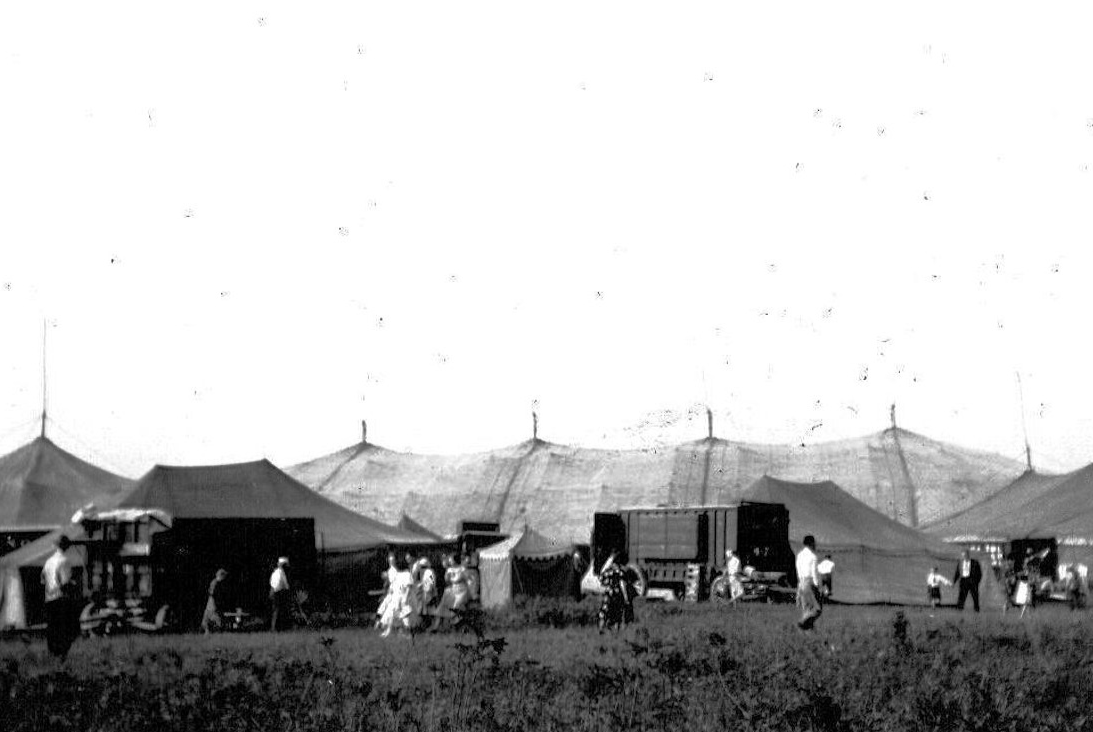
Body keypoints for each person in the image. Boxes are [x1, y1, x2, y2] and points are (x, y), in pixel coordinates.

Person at [41, 535, 80, 660]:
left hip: (49, 598)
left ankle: (52, 656)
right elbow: (65, 583)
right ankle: (62, 656)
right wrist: (74, 585)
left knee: (52, 630)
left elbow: (42, 580)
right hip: (61, 599)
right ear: (66, 546)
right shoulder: (64, 561)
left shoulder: (48, 562)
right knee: (64, 630)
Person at [377, 556, 420, 637]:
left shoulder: (407, 574)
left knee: (404, 615)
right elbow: (393, 587)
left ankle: (408, 632)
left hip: (404, 598)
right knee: (394, 615)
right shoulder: (398, 575)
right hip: (396, 598)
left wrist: (405, 597)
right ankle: (391, 631)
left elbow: (408, 587)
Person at [597, 551, 633, 633]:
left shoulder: (607, 571)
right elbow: (622, 585)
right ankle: (616, 632)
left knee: (604, 612)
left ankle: (601, 629)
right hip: (617, 595)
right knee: (617, 615)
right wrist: (626, 598)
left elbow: (601, 580)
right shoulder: (621, 572)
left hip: (607, 594)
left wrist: (608, 584)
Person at [432, 554, 471, 630]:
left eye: (451, 559)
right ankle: (439, 625)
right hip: (453, 589)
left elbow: (468, 580)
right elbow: (447, 581)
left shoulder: (462, 569)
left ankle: (457, 624)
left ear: (455, 560)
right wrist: (447, 574)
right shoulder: (449, 570)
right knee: (445, 605)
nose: (449, 561)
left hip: (461, 589)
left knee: (457, 606)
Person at [796, 535, 823, 631]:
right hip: (809, 582)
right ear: (811, 543)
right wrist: (818, 586)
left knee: (806, 609)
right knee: (817, 609)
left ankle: (808, 632)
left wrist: (799, 585)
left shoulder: (799, 556)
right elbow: (814, 573)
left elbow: (798, 571)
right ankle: (802, 622)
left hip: (801, 582)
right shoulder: (813, 557)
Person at [201, 568, 229, 633]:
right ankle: (216, 631)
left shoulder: (215, 582)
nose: (224, 578)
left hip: (211, 603)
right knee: (216, 619)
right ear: (221, 576)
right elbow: (212, 593)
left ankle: (208, 632)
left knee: (207, 620)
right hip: (212, 603)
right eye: (224, 576)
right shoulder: (215, 583)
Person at [269, 556, 292, 631]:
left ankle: (274, 627)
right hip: (279, 593)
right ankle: (279, 627)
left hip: (274, 592)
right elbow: (284, 584)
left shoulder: (275, 572)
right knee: (280, 610)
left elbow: (272, 583)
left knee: (275, 610)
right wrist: (287, 588)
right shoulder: (281, 573)